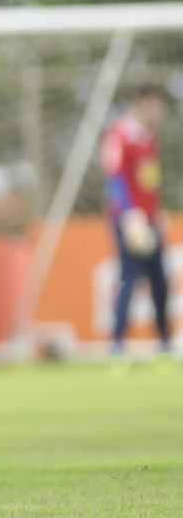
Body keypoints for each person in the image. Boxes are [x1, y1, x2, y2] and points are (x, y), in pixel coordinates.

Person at [101, 82, 172, 361]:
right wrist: (130, 215)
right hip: (128, 221)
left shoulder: (148, 139)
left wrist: (157, 213)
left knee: (160, 281)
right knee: (129, 279)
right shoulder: (120, 135)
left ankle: (165, 342)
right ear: (142, 104)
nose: (159, 112)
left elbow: (149, 183)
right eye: (156, 106)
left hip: (150, 220)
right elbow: (115, 178)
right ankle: (117, 344)